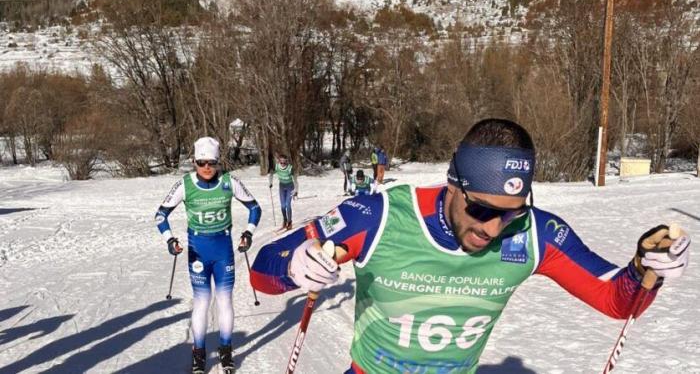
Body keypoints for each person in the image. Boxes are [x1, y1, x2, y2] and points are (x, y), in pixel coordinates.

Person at [250, 119, 691, 374]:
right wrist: (293, 268)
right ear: (453, 185)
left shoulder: (534, 233)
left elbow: (617, 299)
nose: (495, 229)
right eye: (481, 210)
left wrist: (645, 269)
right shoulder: (377, 216)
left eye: (512, 212)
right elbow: (262, 269)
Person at [155, 137, 261, 374]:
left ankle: (225, 350)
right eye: (201, 162)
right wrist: (170, 240)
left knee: (225, 300)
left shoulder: (228, 181)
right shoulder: (185, 184)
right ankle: (199, 353)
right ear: (194, 161)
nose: (206, 167)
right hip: (198, 252)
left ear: (217, 161)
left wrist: (248, 233)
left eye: (211, 162)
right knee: (202, 301)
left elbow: (255, 208)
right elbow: (160, 215)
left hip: (223, 250)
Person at [269, 153, 298, 230]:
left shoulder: (290, 168)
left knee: (288, 205)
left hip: (290, 186)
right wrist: (270, 183)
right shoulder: (277, 166)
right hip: (282, 186)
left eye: (284, 162)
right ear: (279, 162)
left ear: (287, 162)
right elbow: (271, 174)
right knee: (282, 206)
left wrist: (296, 190)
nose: (282, 164)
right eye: (281, 162)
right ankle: (285, 220)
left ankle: (289, 222)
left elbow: (295, 180)